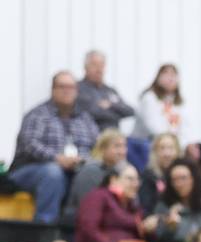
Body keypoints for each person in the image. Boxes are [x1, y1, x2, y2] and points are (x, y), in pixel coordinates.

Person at [7, 71, 99, 222]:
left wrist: (81, 160)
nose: (66, 90)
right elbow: (30, 145)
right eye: (62, 86)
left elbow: (97, 146)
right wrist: (57, 159)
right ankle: (46, 227)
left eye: (71, 87)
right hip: (31, 169)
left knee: (91, 173)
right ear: (53, 90)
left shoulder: (85, 118)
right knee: (53, 172)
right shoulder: (37, 114)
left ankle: (82, 226)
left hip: (75, 169)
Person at [74, 165, 157, 242]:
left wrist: (148, 229)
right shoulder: (98, 196)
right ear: (113, 180)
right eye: (130, 179)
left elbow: (143, 237)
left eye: (137, 180)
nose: (136, 184)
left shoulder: (133, 206)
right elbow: (89, 229)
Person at [63, 128, 128, 224]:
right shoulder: (90, 171)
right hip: (81, 225)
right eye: (117, 146)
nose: (122, 151)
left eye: (124, 146)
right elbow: (88, 206)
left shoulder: (119, 170)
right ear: (103, 149)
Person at [131, 64, 191, 146]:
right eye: (166, 74)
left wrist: (180, 144)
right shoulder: (149, 98)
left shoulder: (178, 102)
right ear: (158, 78)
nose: (170, 78)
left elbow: (185, 128)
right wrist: (171, 142)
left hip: (171, 146)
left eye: (173, 75)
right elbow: (154, 128)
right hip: (146, 145)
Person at [77, 50, 135, 132]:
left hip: (114, 138)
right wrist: (115, 113)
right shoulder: (78, 88)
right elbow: (90, 112)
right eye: (94, 65)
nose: (99, 69)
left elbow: (130, 111)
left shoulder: (110, 90)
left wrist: (111, 105)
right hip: (92, 137)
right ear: (85, 67)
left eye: (101, 65)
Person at [138, 132, 181, 215]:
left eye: (171, 148)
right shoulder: (148, 176)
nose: (167, 154)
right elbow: (146, 208)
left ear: (178, 151)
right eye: (162, 148)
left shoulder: (186, 173)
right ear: (155, 152)